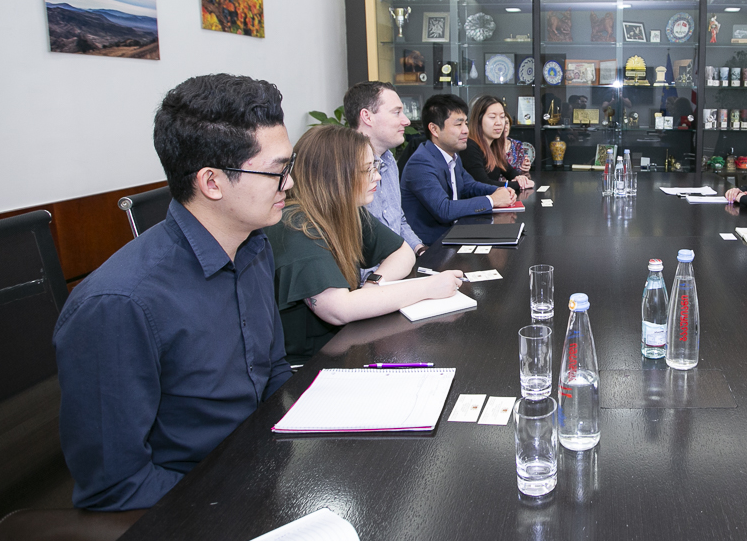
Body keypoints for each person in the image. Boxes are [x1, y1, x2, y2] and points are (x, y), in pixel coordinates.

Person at [53, 74, 294, 511]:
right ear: (212, 182)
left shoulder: (253, 247)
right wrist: (238, 499)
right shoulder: (119, 304)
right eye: (277, 172)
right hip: (196, 500)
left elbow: (273, 368)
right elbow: (116, 487)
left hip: (261, 461)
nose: (289, 184)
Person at [266, 126, 463, 363]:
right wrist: (428, 287)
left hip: (343, 347)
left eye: (375, 167)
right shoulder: (296, 224)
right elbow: (338, 309)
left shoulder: (345, 209)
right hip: (308, 365)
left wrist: (373, 283)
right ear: (334, 175)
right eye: (367, 169)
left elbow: (402, 252)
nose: (377, 177)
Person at [401, 94, 517, 244]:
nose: (466, 130)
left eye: (466, 123)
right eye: (458, 124)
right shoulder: (421, 162)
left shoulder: (453, 157)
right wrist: (492, 200)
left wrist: (501, 190)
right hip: (431, 246)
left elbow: (470, 186)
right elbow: (444, 210)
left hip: (455, 234)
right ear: (434, 129)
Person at [344, 81, 425, 255]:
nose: (406, 121)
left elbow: (398, 221)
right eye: (396, 112)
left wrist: (420, 249)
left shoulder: (388, 160)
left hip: (400, 262)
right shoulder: (344, 168)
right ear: (367, 117)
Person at [461, 95, 534, 192]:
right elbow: (483, 184)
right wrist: (518, 184)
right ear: (478, 120)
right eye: (492, 117)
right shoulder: (470, 147)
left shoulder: (493, 146)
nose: (499, 122)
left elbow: (509, 171)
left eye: (502, 117)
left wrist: (521, 179)